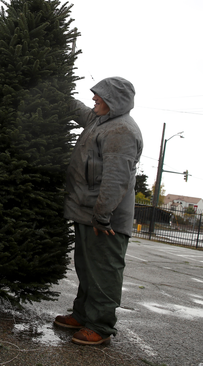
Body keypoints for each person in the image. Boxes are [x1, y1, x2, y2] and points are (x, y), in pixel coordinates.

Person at [54, 76, 143, 345]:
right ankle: (82, 315)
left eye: (100, 96)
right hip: (86, 210)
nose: (94, 99)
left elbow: (117, 179)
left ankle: (101, 326)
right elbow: (80, 109)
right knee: (87, 268)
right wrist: (60, 93)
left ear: (114, 101)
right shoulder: (99, 120)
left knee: (104, 271)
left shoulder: (122, 131)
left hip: (106, 218)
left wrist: (103, 215)